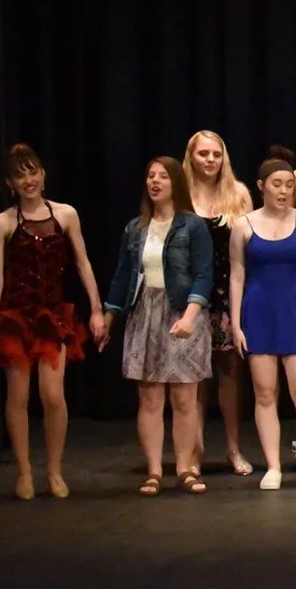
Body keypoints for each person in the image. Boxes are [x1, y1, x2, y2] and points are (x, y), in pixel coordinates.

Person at [0, 144, 105, 500]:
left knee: (52, 395)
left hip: (52, 316)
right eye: (21, 175)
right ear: (9, 182)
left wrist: (95, 309)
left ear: (43, 174)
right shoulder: (2, 223)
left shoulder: (65, 215)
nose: (29, 180)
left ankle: (54, 470)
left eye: (33, 172)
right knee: (18, 396)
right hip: (16, 317)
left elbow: (83, 263)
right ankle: (24, 471)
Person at [103, 157, 213, 495]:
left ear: (175, 183)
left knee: (184, 398)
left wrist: (190, 316)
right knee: (150, 399)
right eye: (150, 176)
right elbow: (123, 276)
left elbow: (204, 273)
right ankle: (153, 471)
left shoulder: (192, 226)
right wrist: (108, 316)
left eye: (162, 177)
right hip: (145, 313)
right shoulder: (135, 227)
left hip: (182, 310)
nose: (155, 182)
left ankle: (185, 469)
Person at [232, 159, 296, 490]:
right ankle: (273, 466)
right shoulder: (243, 225)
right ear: (261, 187)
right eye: (277, 184)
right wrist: (235, 323)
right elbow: (237, 275)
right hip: (258, 312)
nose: (284, 190)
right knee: (265, 393)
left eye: (289, 184)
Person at [184, 131, 253, 476]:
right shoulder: (182, 194)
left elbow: (252, 244)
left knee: (230, 374)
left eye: (216, 154)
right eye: (203, 154)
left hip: (229, 294)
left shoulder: (238, 193)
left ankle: (233, 449)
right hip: (191, 298)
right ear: (192, 157)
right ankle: (193, 452)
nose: (210, 160)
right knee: (194, 377)